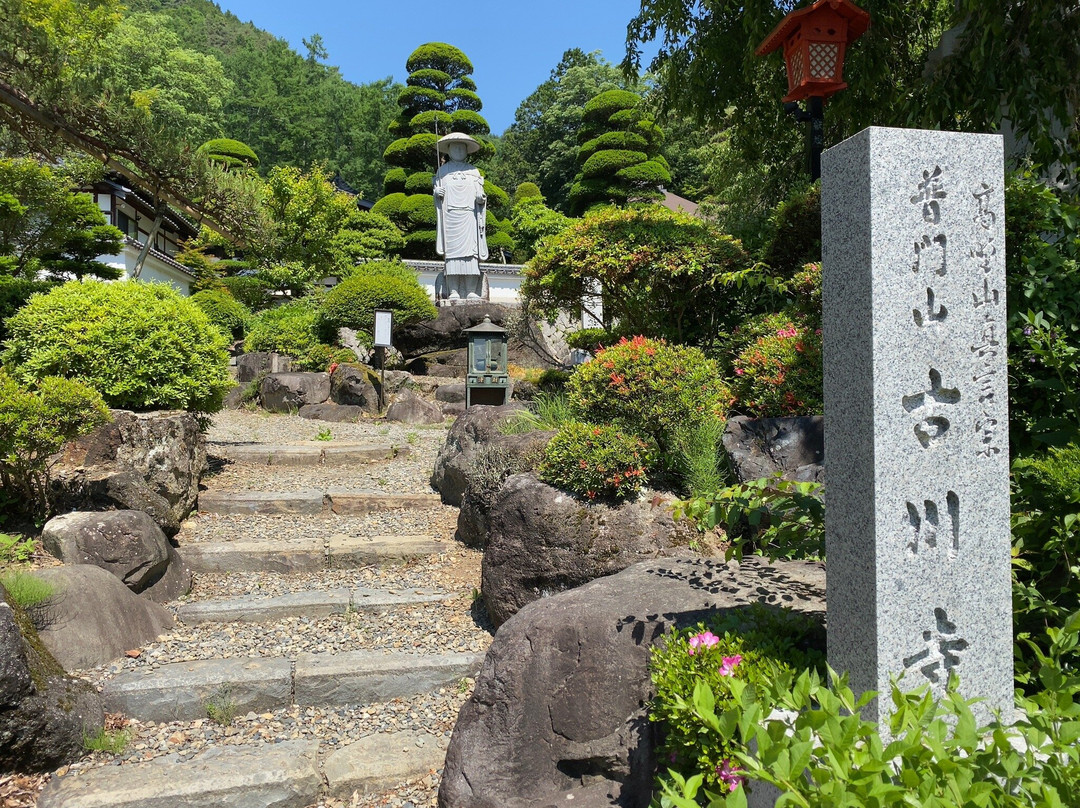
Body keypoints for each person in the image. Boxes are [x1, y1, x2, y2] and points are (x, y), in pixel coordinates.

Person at [434, 133, 488, 301]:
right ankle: (454, 291)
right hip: (450, 217)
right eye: (454, 147)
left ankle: (471, 290)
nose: (458, 150)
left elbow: (481, 194)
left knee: (470, 255)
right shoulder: (443, 171)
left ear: (467, 150)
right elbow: (437, 191)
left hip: (469, 216)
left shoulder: (473, 171)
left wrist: (481, 199)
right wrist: (437, 193)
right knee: (452, 256)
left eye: (461, 147)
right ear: (448, 150)